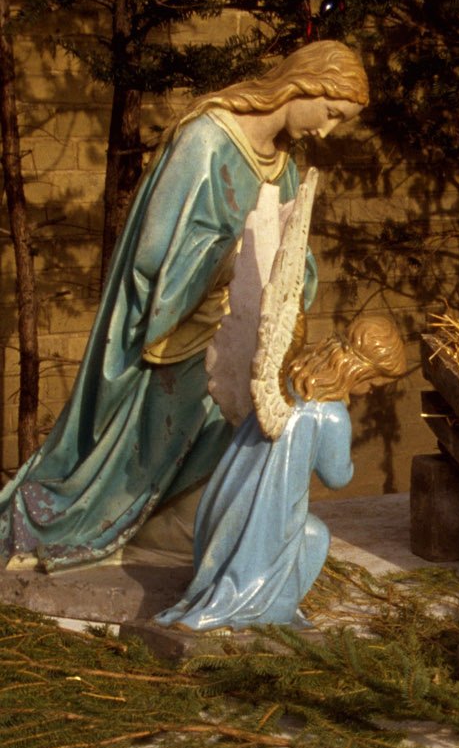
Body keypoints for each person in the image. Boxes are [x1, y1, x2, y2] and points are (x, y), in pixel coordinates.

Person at [0, 41, 368, 570]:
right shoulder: (207, 139)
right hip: (175, 331)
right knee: (141, 449)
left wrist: (292, 279)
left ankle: (166, 527)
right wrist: (230, 256)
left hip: (235, 341)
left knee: (220, 437)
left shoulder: (284, 163)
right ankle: (92, 524)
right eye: (331, 114)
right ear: (307, 84)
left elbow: (292, 247)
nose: (327, 130)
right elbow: (156, 248)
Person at [155, 314, 406, 632]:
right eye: (372, 382)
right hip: (265, 520)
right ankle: (269, 610)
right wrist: (348, 459)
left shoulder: (287, 384)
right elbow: (337, 476)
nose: (370, 391)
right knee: (315, 536)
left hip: (226, 505)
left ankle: (257, 603)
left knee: (310, 530)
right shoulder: (331, 415)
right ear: (358, 370)